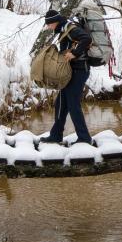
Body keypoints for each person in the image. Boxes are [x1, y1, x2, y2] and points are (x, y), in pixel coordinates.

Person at [41, 9, 94, 145]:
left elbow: (87, 39)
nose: (48, 27)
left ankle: (84, 138)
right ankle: (56, 135)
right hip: (72, 71)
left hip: (80, 70)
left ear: (55, 22)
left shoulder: (70, 29)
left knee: (73, 104)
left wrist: (75, 53)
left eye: (49, 24)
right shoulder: (64, 28)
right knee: (61, 103)